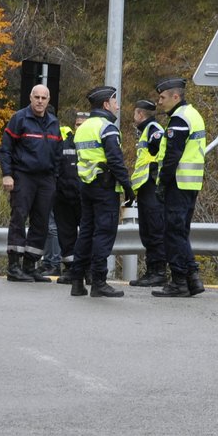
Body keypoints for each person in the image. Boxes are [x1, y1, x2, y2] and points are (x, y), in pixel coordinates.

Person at [64, 85, 131, 298]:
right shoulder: (107, 127)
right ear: (105, 104)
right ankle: (99, 282)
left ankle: (77, 281)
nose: (117, 106)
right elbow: (115, 160)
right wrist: (128, 187)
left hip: (86, 187)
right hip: (105, 187)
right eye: (115, 102)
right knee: (104, 233)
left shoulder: (82, 128)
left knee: (85, 233)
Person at [152, 76, 208, 298]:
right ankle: (192, 279)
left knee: (173, 233)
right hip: (191, 183)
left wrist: (162, 184)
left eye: (162, 97)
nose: (159, 102)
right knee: (181, 232)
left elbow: (172, 156)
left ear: (176, 97)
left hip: (178, 182)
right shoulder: (193, 115)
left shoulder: (179, 119)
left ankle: (179, 281)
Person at [0, 84, 59, 282]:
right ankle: (14, 267)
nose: (40, 101)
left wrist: (55, 177)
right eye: (37, 97)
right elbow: (6, 148)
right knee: (19, 217)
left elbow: (57, 152)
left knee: (41, 222)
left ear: (48, 100)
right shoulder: (19, 118)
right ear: (30, 98)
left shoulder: (53, 122)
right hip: (23, 175)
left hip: (46, 178)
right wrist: (7, 174)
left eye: (44, 97)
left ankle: (30, 265)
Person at [129, 97, 170, 288]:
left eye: (135, 113)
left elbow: (161, 156)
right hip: (146, 189)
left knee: (154, 230)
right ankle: (152, 270)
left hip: (152, 187)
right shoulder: (147, 130)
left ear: (140, 114)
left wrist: (155, 174)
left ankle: (159, 271)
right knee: (147, 231)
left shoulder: (154, 131)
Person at [51, 111, 89, 286]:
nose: (79, 127)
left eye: (83, 124)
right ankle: (71, 269)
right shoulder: (64, 142)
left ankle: (88, 270)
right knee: (66, 236)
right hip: (63, 197)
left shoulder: (93, 145)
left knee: (88, 236)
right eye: (77, 124)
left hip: (85, 197)